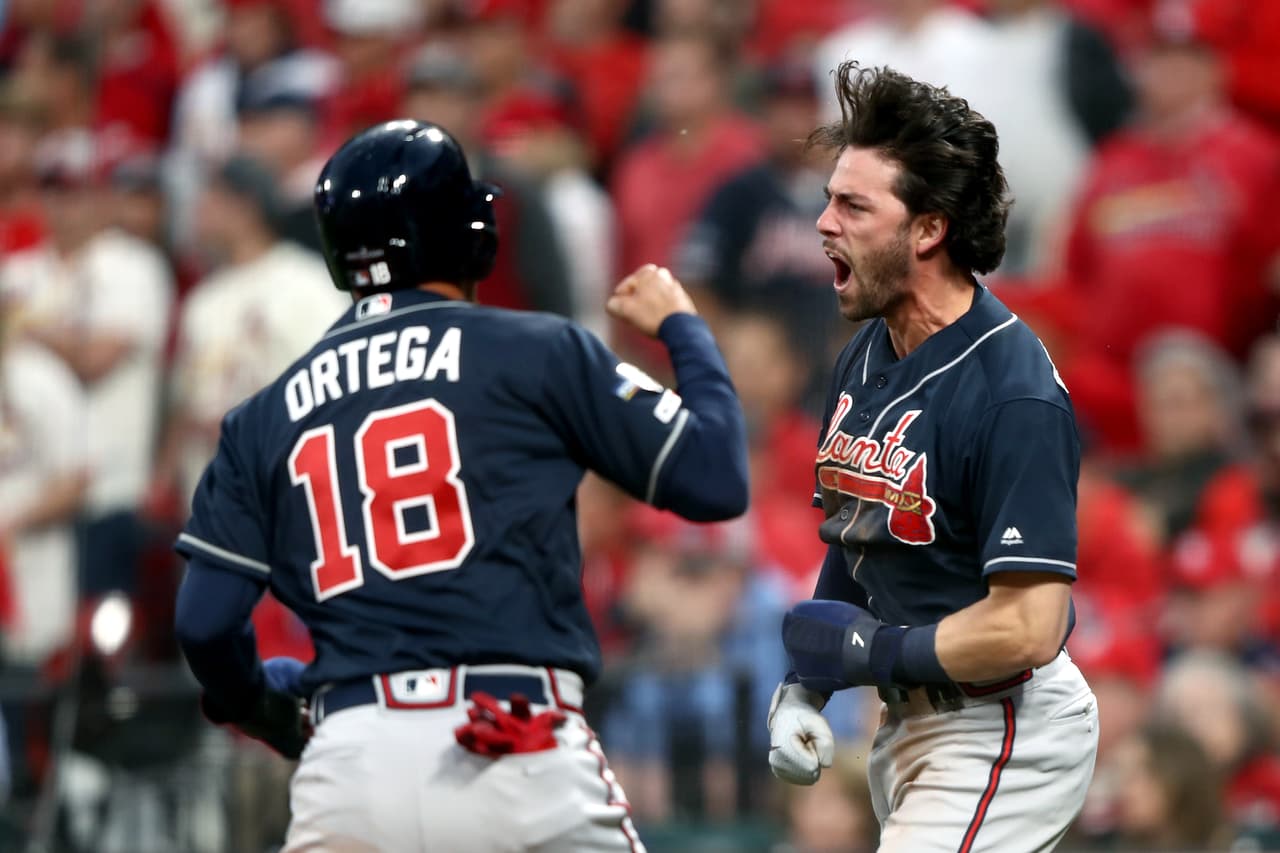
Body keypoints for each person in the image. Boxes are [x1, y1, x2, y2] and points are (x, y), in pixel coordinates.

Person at [172, 119, 749, 852]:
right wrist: (684, 330)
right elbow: (715, 477)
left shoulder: (261, 415)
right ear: (465, 234)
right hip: (515, 745)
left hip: (348, 767)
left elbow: (204, 625)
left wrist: (264, 708)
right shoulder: (537, 350)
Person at [766, 63, 1099, 852]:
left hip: (1003, 724)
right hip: (912, 723)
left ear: (927, 230)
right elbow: (859, 534)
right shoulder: (864, 352)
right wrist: (805, 686)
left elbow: (1030, 625)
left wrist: (869, 651)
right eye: (829, 200)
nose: (824, 223)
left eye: (854, 206)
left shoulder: (1011, 390)